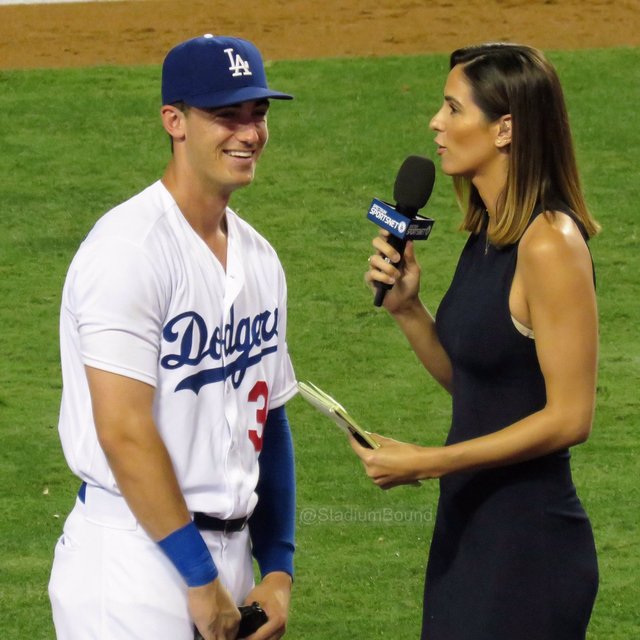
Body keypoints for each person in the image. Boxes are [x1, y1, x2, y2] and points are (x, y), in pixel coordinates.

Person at [49, 34, 298, 640]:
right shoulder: (128, 252)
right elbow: (124, 430)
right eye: (225, 115)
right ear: (175, 122)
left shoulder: (260, 259)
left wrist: (279, 567)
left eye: (257, 113)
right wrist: (197, 575)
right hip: (135, 561)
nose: (248, 132)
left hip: (231, 562)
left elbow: (269, 419)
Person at [355, 43, 599, 639]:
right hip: (470, 531)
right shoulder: (491, 231)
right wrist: (409, 309)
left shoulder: (550, 243)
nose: (436, 124)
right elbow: (482, 385)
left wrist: (430, 463)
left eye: (453, 109)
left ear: (505, 128)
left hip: (528, 548)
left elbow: (570, 418)